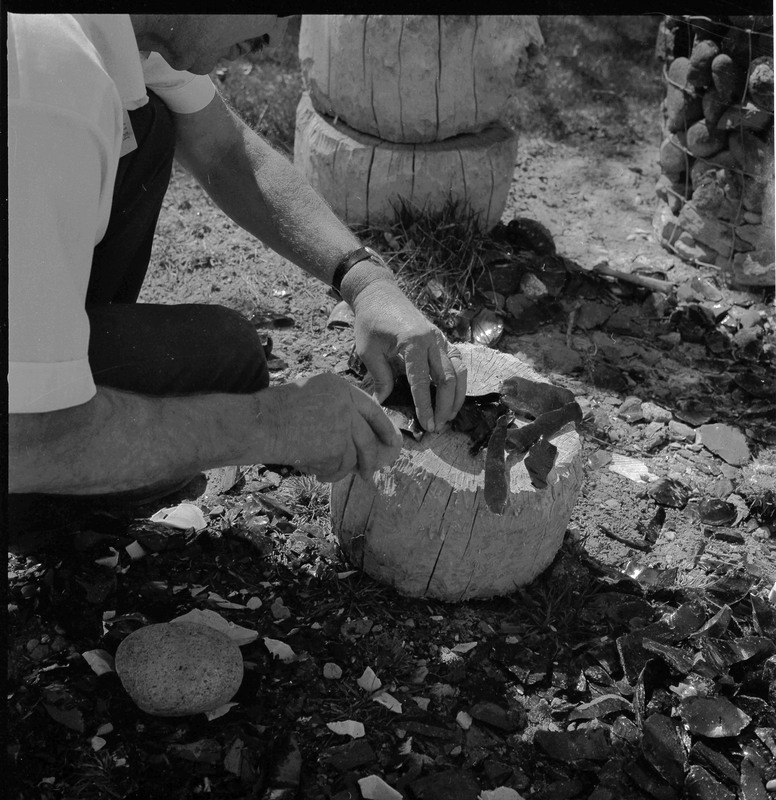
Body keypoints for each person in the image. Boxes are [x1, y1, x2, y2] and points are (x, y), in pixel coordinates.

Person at [7, 14, 467, 517]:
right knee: (221, 370)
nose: (279, 37)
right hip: (21, 439)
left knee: (152, 121)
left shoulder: (134, 31)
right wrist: (272, 425)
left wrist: (366, 280)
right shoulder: (51, 85)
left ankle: (50, 363)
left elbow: (224, 149)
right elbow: (25, 441)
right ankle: (41, 492)